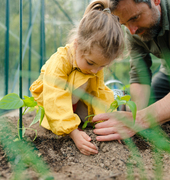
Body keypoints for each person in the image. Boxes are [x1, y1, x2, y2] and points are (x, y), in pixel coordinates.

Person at [30, 9, 124, 155]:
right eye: (90, 62)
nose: (95, 70)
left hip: (77, 101)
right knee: (62, 98)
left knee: (97, 92)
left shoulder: (95, 67)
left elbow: (99, 93)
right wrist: (73, 132)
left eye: (102, 66)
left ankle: (78, 118)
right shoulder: (59, 62)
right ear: (77, 45)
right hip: (52, 106)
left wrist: (106, 123)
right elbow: (55, 97)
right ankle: (69, 123)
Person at [84, 0, 170, 141]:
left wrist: (141, 120)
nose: (132, 31)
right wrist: (135, 117)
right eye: (124, 24)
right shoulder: (133, 32)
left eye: (135, 18)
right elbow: (139, 75)